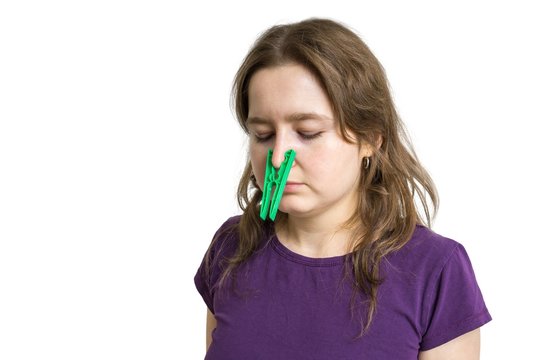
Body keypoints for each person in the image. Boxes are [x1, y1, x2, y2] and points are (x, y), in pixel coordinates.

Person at [194, 18, 491, 359]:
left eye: (307, 132)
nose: (278, 159)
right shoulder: (230, 247)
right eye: (263, 134)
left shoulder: (435, 269)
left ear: (370, 138)